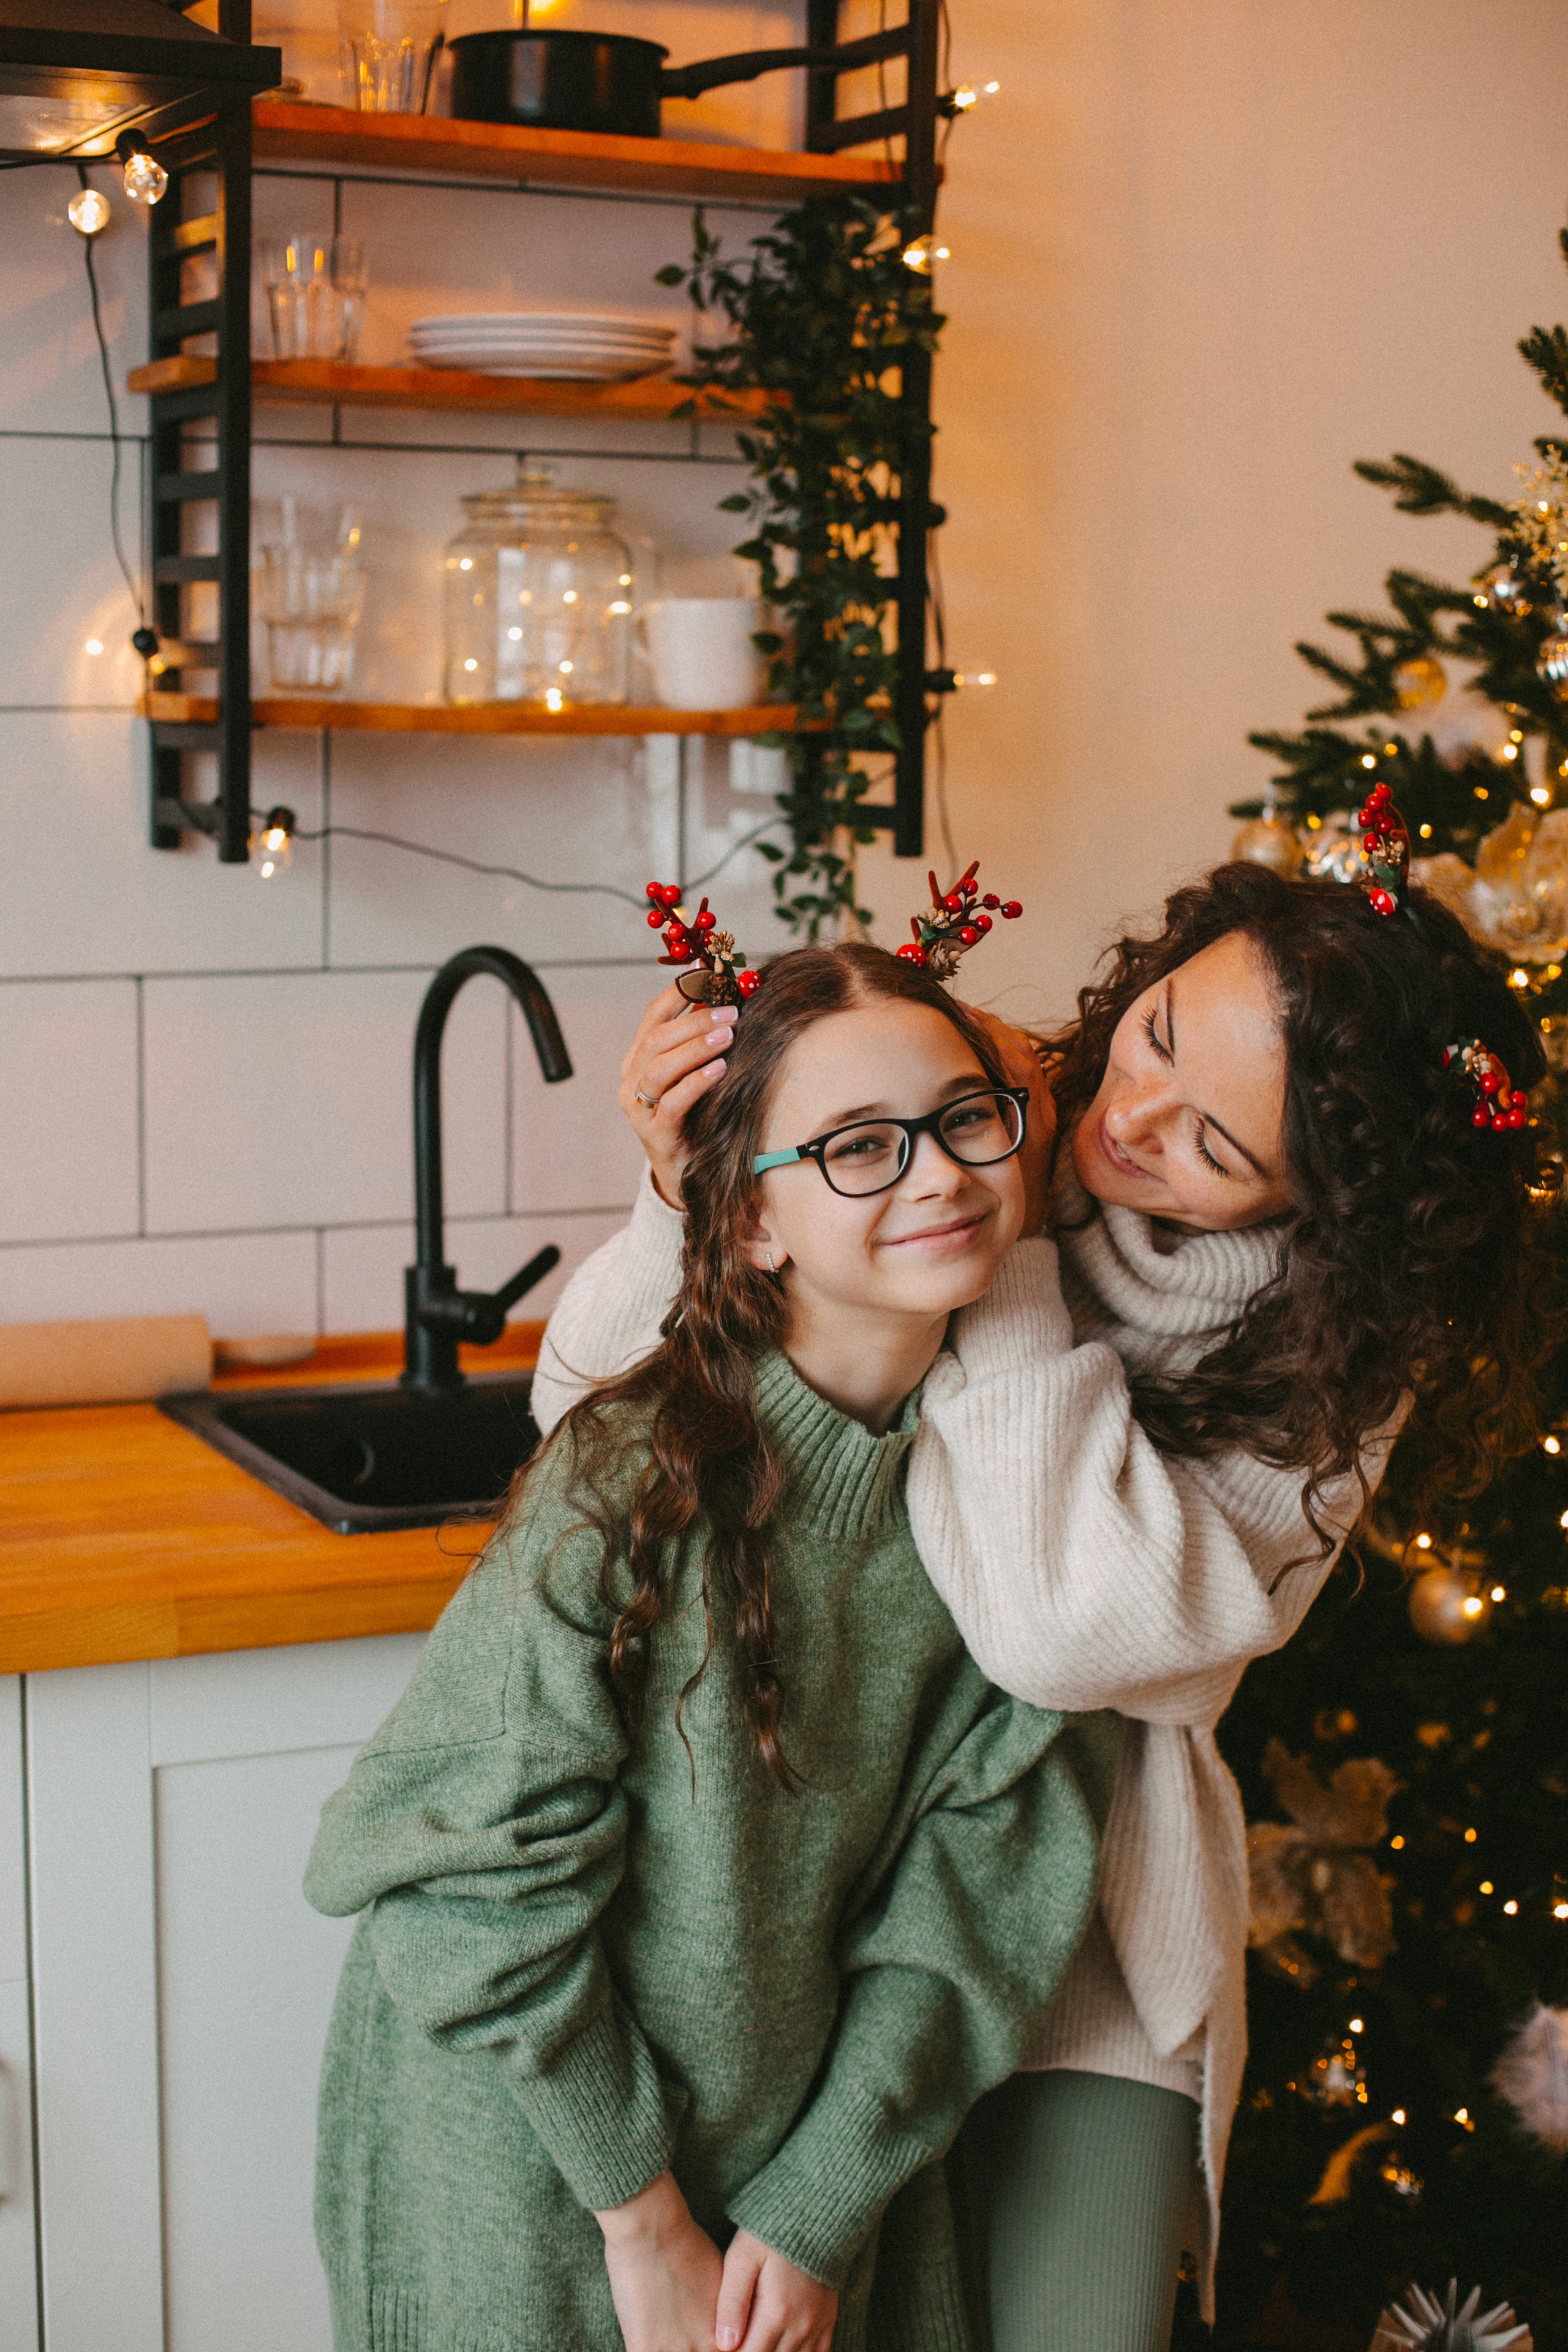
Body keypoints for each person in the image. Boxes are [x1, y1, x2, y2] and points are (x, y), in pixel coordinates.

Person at [533, 856, 1550, 2351]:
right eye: (1152, 1033)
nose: (1126, 1119)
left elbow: (1064, 1632)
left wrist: (994, 1252)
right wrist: (688, 1184)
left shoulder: (1338, 1361)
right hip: (788, 1883)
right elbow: (583, 1427)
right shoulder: (957, 1117)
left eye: (1210, 1140)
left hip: (1085, 1929)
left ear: (1333, 1215)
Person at [304, 942, 1109, 2352]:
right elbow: (463, 1882)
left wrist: (818, 2205)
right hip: (525, 2156)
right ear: (744, 1222)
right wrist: (641, 2213)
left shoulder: (1024, 1502)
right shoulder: (630, 1475)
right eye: (859, 1146)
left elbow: (974, 1903)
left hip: (802, 2168)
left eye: (965, 1118)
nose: (936, 1174)